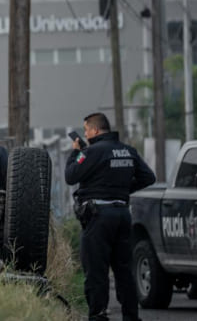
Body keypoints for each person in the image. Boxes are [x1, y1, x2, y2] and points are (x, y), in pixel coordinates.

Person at [65, 112, 155, 321]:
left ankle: (98, 316)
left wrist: (75, 152)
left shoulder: (91, 152)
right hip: (122, 215)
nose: (85, 135)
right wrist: (121, 191)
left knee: (96, 271)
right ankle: (131, 316)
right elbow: (148, 177)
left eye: (86, 130)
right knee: (124, 270)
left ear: (95, 130)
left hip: (98, 218)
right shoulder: (128, 151)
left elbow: (70, 175)